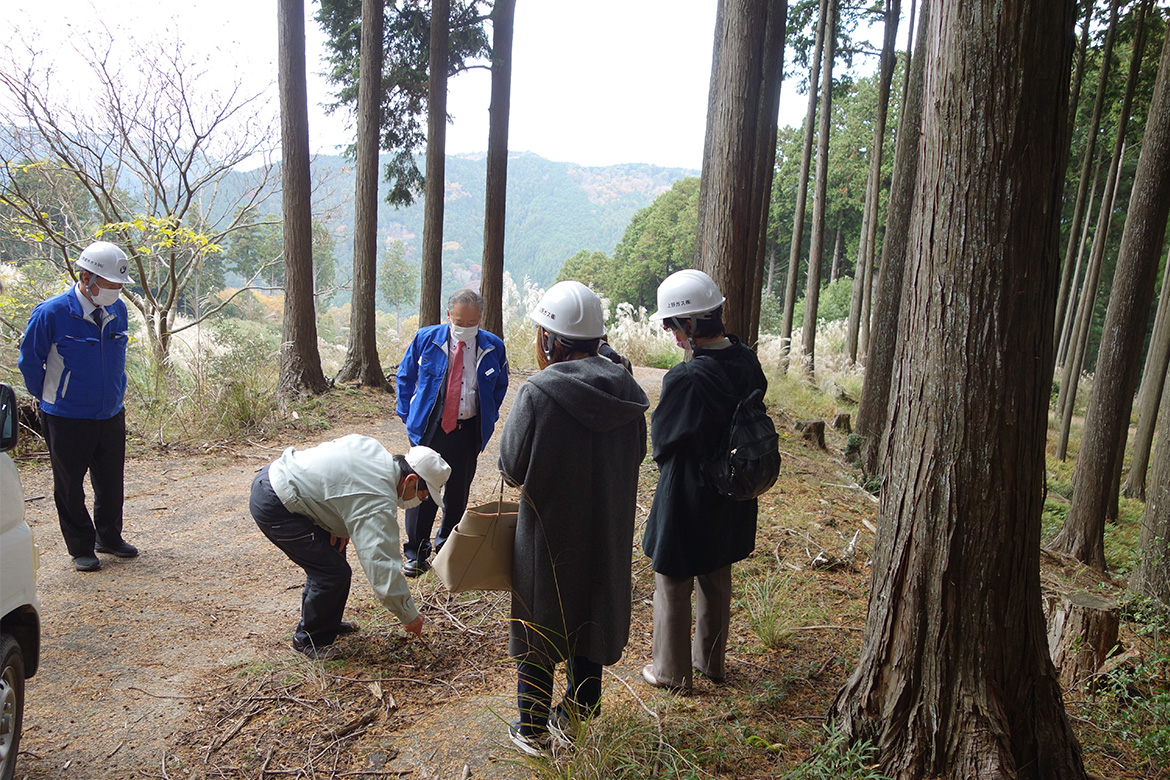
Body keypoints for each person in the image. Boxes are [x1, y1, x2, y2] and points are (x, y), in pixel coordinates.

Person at [498, 280, 649, 755]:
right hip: (608, 526)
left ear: (551, 339)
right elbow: (638, 453)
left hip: (547, 534)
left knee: (541, 617)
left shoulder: (538, 393)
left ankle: (533, 729)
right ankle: (579, 712)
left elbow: (510, 467)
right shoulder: (630, 391)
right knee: (594, 610)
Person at [641, 269, 768, 693]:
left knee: (673, 577)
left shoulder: (686, 378)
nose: (669, 332)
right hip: (733, 487)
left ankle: (669, 671)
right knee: (716, 570)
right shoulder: (747, 359)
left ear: (691, 325)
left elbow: (663, 442)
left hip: (688, 491)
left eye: (671, 324)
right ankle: (710, 663)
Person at [249, 437, 451, 660]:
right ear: (410, 479)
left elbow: (336, 482)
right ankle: (309, 640)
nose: (421, 500)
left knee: (333, 559)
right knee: (331, 572)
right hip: (276, 503)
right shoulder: (377, 497)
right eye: (422, 494)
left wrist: (336, 526)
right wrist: (409, 615)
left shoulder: (374, 450)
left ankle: (327, 622)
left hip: (280, 479)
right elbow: (381, 566)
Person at [18, 241, 136, 572]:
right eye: (110, 285)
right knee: (70, 485)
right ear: (86, 278)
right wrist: (51, 397)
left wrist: (116, 394)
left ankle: (109, 537)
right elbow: (29, 362)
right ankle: (81, 546)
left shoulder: (118, 310)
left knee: (111, 482)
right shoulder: (52, 313)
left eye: (119, 287)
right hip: (66, 417)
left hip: (110, 413)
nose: (115, 292)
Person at [395, 289, 508, 577]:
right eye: (459, 321)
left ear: (480, 319)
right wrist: (409, 417)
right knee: (422, 491)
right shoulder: (426, 339)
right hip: (430, 429)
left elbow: (499, 386)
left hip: (467, 430)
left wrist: (489, 417)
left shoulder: (492, 346)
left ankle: (446, 548)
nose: (465, 328)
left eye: (472, 322)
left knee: (457, 493)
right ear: (448, 316)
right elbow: (405, 377)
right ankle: (416, 553)